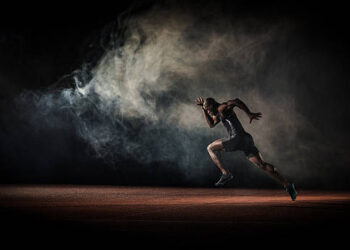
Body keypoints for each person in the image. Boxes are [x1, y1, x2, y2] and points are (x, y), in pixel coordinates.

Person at [195, 96, 297, 201]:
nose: (208, 111)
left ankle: (226, 173)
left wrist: (249, 113)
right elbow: (211, 124)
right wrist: (203, 110)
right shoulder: (218, 113)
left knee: (210, 148)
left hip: (236, 139)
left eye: (208, 109)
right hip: (245, 139)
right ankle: (288, 185)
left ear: (211, 105)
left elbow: (236, 101)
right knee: (262, 165)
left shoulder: (222, 107)